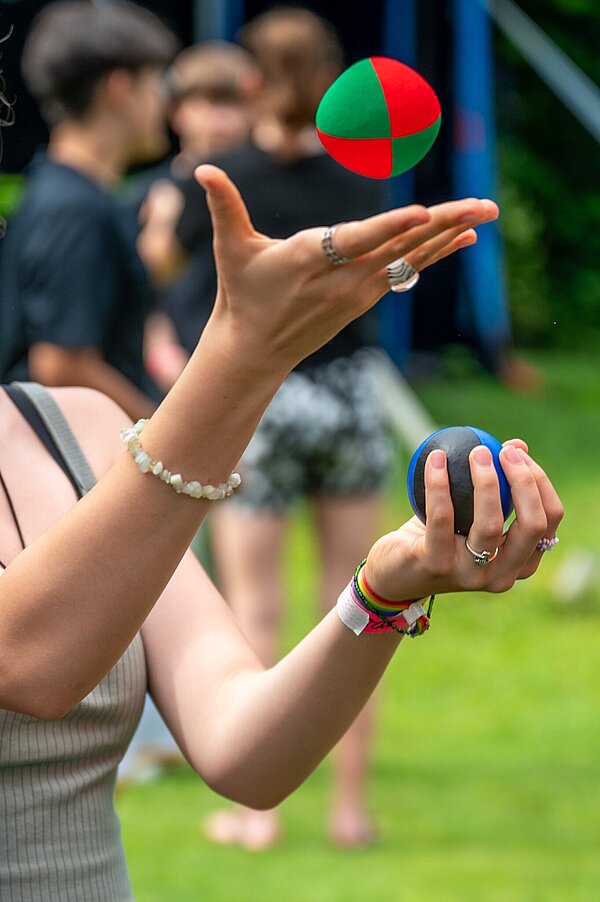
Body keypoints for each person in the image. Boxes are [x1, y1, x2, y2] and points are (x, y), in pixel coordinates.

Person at [0, 152, 563, 899]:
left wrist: (384, 592)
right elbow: (32, 663)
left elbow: (245, 752)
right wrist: (246, 353)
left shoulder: (73, 428)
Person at [137, 7, 420, 848]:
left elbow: (167, 262)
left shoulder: (225, 173)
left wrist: (161, 215)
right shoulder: (357, 178)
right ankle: (349, 812)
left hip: (265, 404)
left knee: (253, 606)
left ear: (251, 80)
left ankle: (255, 816)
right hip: (346, 398)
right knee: (368, 605)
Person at [0, 0, 179, 420]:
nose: (163, 104)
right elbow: (62, 365)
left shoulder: (56, 188)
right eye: (156, 83)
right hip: (73, 465)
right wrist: (168, 439)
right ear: (120, 89)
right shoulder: (76, 210)